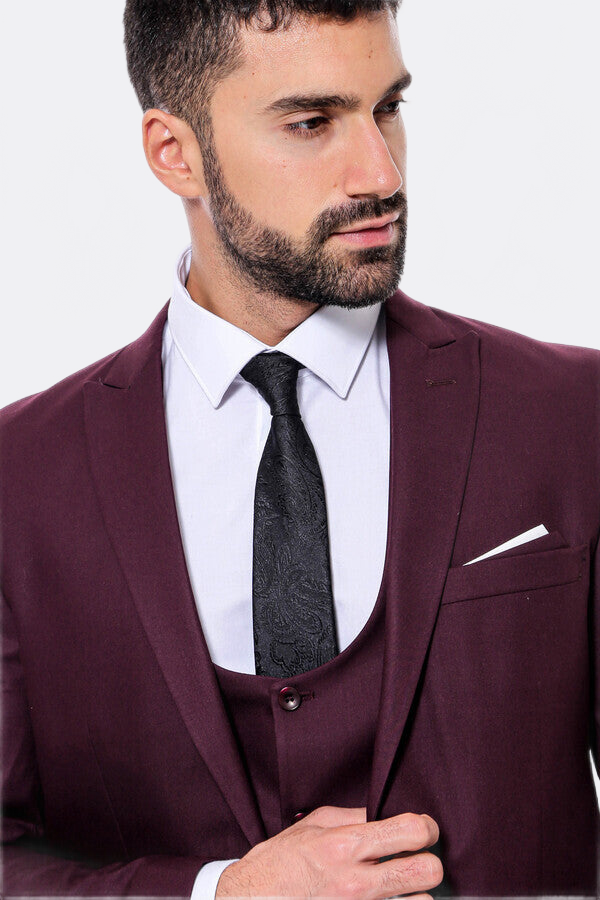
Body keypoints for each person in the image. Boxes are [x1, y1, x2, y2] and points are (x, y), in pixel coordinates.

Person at [1, 0, 598, 897]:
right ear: (176, 153)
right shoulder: (19, 476)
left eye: (387, 107)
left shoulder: (573, 414)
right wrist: (218, 893)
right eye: (312, 122)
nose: (380, 172)